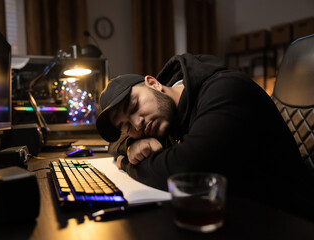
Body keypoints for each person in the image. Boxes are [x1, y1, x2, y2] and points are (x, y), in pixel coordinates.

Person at [96, 53, 314, 217]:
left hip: (289, 222)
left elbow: (189, 170)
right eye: (125, 126)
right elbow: (114, 145)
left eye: (134, 106)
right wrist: (129, 146)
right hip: (236, 216)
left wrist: (128, 164)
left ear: (153, 83)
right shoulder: (163, 116)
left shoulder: (225, 89)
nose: (137, 123)